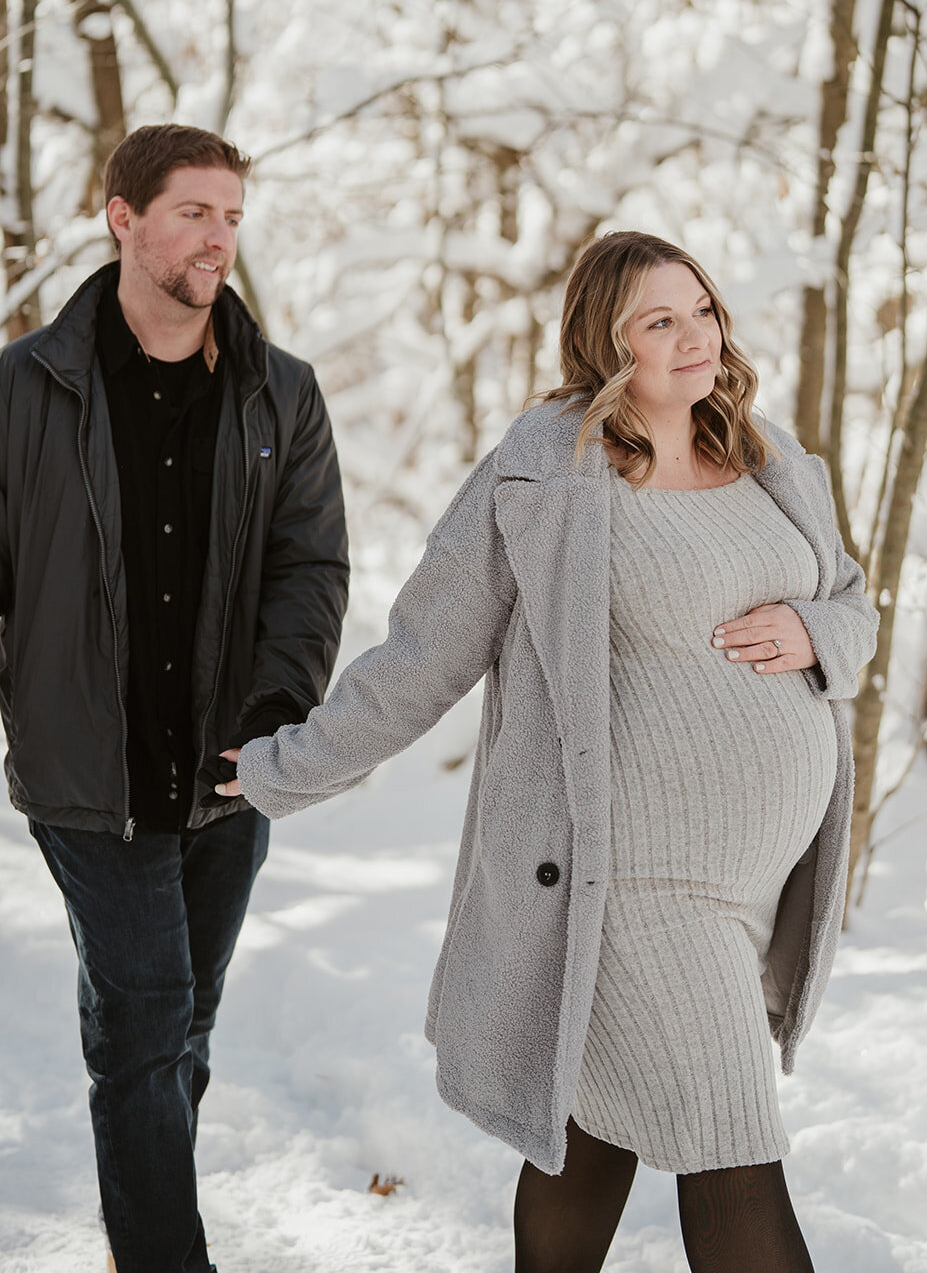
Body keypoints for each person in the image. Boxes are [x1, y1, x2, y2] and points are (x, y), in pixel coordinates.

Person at [216, 229, 877, 1272]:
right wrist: (282, 764)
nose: (693, 336)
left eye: (700, 308)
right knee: (732, 1147)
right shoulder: (547, 473)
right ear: (604, 343)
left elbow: (851, 601)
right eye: (658, 320)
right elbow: (425, 651)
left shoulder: (765, 453)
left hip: (750, 882)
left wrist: (817, 633)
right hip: (633, 886)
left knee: (594, 1130)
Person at [0, 124, 349, 1273]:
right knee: (146, 1020)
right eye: (194, 211)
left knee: (181, 1023)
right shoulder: (25, 390)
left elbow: (310, 567)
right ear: (122, 217)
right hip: (86, 775)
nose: (218, 238)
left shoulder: (279, 395)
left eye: (232, 216)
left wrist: (277, 710)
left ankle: (144, 1224)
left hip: (228, 773)